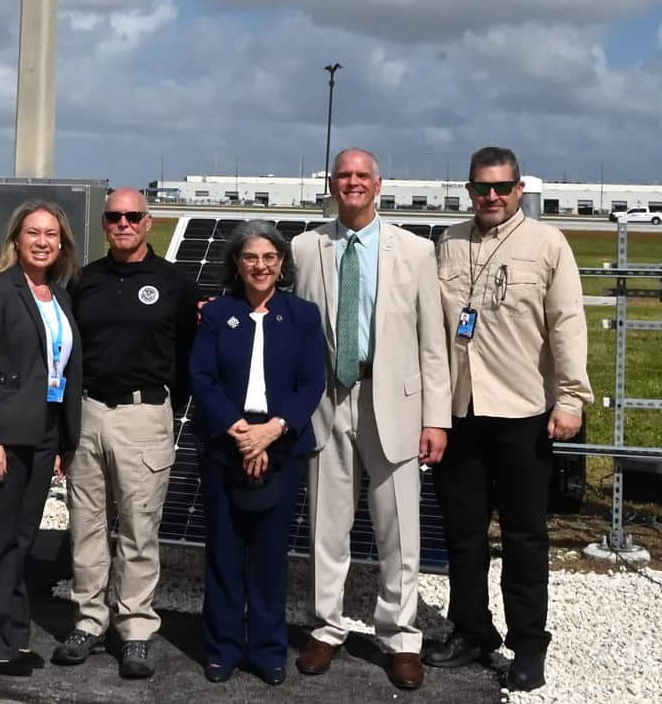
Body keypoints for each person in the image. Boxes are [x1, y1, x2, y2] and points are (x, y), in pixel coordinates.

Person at [427, 147, 591, 693]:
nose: (490, 197)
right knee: (463, 534)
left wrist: (571, 398)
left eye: (501, 187)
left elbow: (567, 322)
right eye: (480, 188)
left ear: (519, 189)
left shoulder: (548, 245)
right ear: (468, 190)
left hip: (523, 411)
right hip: (460, 410)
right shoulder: (447, 243)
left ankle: (528, 643)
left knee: (525, 535)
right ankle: (472, 629)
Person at [292, 148, 452, 690]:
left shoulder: (414, 250)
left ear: (379, 184)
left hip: (394, 401)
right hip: (328, 399)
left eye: (362, 176)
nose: (353, 183)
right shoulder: (305, 247)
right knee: (326, 525)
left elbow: (434, 342)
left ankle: (400, 635)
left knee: (399, 527)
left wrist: (437, 419)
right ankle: (327, 627)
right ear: (332, 184)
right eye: (344, 176)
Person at [54, 188, 206, 679]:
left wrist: (166, 408)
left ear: (148, 222)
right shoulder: (83, 280)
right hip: (89, 413)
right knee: (87, 525)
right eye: (114, 216)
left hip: (145, 415)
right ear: (104, 223)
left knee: (140, 530)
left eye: (132, 216)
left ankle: (136, 628)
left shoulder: (174, 283)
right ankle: (89, 620)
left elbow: (186, 353)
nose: (123, 223)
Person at [189, 220, 327, 685]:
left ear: (282, 264)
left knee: (270, 554)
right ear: (237, 264)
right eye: (251, 257)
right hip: (225, 443)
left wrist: (271, 432)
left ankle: (268, 649)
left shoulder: (303, 315)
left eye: (269, 257)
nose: (260, 265)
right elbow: (202, 378)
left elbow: (312, 383)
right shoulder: (215, 314)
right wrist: (241, 432)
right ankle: (222, 647)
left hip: (282, 444)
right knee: (225, 550)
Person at [0, 199, 83, 676]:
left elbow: (62, 369)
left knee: (21, 538)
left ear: (62, 244)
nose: (42, 241)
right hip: (4, 437)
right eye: (33, 232)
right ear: (17, 239)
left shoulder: (60, 297)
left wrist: (63, 440)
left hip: (45, 433)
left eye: (51, 234)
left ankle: (13, 634)